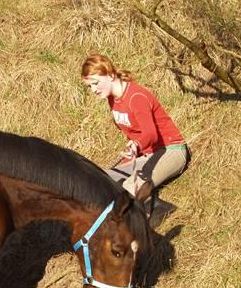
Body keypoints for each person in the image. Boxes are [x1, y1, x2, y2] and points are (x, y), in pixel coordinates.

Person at [81, 53, 190, 227]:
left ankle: (154, 212)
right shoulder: (113, 99)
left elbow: (150, 133)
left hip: (171, 151)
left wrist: (137, 144)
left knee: (128, 188)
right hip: (145, 153)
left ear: (110, 75)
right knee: (101, 179)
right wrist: (131, 154)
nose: (93, 89)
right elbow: (134, 133)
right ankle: (150, 203)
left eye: (95, 83)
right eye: (89, 86)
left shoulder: (136, 97)